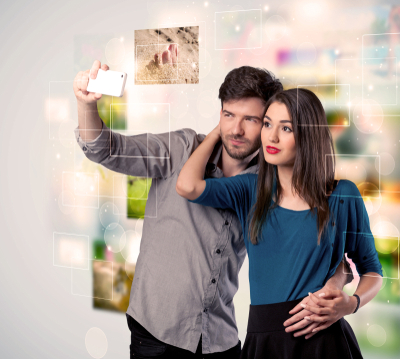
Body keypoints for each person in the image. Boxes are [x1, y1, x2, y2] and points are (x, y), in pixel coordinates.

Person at [73, 62, 353, 358]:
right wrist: (85, 104)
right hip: (156, 333)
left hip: (220, 341)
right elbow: (105, 149)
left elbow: (328, 252)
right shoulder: (180, 149)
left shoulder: (273, 184)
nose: (236, 129)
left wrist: (337, 295)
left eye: (251, 119)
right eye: (228, 115)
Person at [176, 88, 383, 358]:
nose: (271, 137)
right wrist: (220, 130)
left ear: (308, 136)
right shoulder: (250, 190)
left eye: (286, 128)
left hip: (325, 343)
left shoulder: (343, 195)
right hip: (263, 342)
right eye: (267, 124)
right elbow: (187, 185)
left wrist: (350, 304)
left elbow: (372, 271)